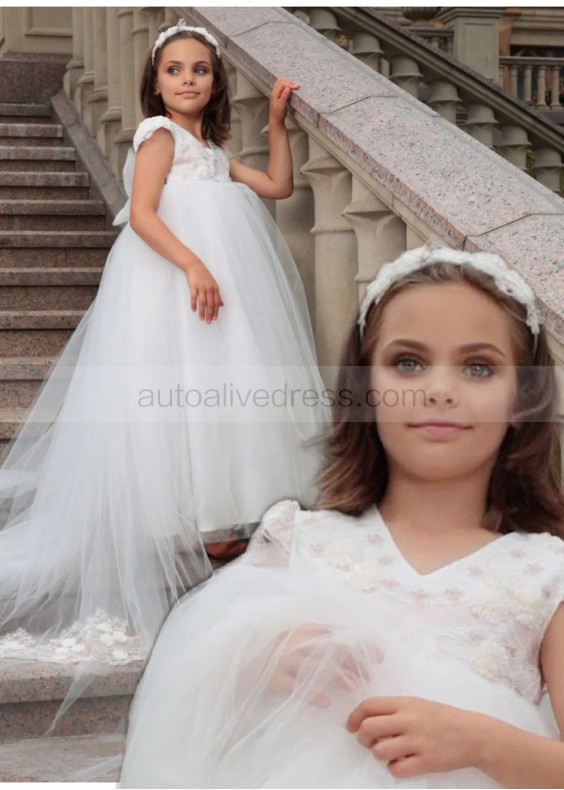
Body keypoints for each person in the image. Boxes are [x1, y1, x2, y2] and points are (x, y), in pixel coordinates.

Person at [120, 244, 564, 788]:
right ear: (365, 390)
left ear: (523, 398)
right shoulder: (298, 541)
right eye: (408, 363)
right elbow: (190, 720)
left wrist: (480, 742)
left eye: (478, 367)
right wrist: (260, 658)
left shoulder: (546, 575)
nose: (439, 391)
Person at [0, 18, 328, 712]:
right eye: (175, 69)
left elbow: (275, 185)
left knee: (222, 388)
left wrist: (276, 122)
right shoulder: (157, 138)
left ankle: (218, 524)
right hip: (173, 285)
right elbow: (142, 214)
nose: (187, 79)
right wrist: (193, 264)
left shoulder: (208, 148)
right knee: (178, 389)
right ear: (155, 81)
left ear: (214, 83)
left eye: (200, 70)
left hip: (216, 287)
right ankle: (194, 524)